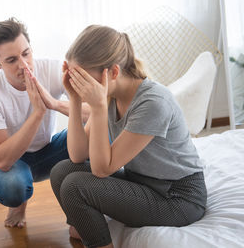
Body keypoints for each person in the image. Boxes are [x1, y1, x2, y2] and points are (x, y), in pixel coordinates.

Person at [50, 25, 207, 248]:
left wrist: (97, 108)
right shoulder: (111, 93)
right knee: (62, 171)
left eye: (84, 79)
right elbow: (77, 155)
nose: (81, 85)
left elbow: (102, 169)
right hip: (142, 181)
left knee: (75, 186)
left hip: (178, 198)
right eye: (76, 77)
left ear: (113, 72)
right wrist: (74, 99)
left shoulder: (153, 103)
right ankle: (83, 227)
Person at [0, 18, 89, 228]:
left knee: (97, 134)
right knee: (13, 187)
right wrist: (38, 113)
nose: (23, 65)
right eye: (11, 60)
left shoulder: (53, 69)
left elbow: (99, 111)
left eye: (26, 53)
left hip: (48, 151)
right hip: (12, 162)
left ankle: (80, 215)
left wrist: (54, 104)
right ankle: (18, 205)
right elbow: (1, 160)